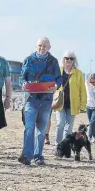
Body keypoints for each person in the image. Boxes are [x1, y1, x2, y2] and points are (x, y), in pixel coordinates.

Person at [18, 37, 62, 165]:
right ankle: (26, 156)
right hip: (31, 99)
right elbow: (22, 77)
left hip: (46, 100)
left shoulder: (53, 62)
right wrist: (24, 84)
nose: (41, 48)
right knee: (29, 127)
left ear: (49, 47)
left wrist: (56, 86)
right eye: (39, 46)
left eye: (44, 46)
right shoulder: (29, 60)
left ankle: (38, 156)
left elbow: (59, 78)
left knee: (41, 131)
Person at [54, 51, 86, 149]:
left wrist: (83, 105)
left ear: (74, 60)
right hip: (60, 103)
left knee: (69, 128)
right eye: (66, 58)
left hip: (73, 104)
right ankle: (58, 145)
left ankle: (65, 146)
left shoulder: (78, 73)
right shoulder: (58, 71)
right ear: (63, 59)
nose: (68, 60)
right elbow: (52, 86)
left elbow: (82, 90)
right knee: (60, 123)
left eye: (71, 58)